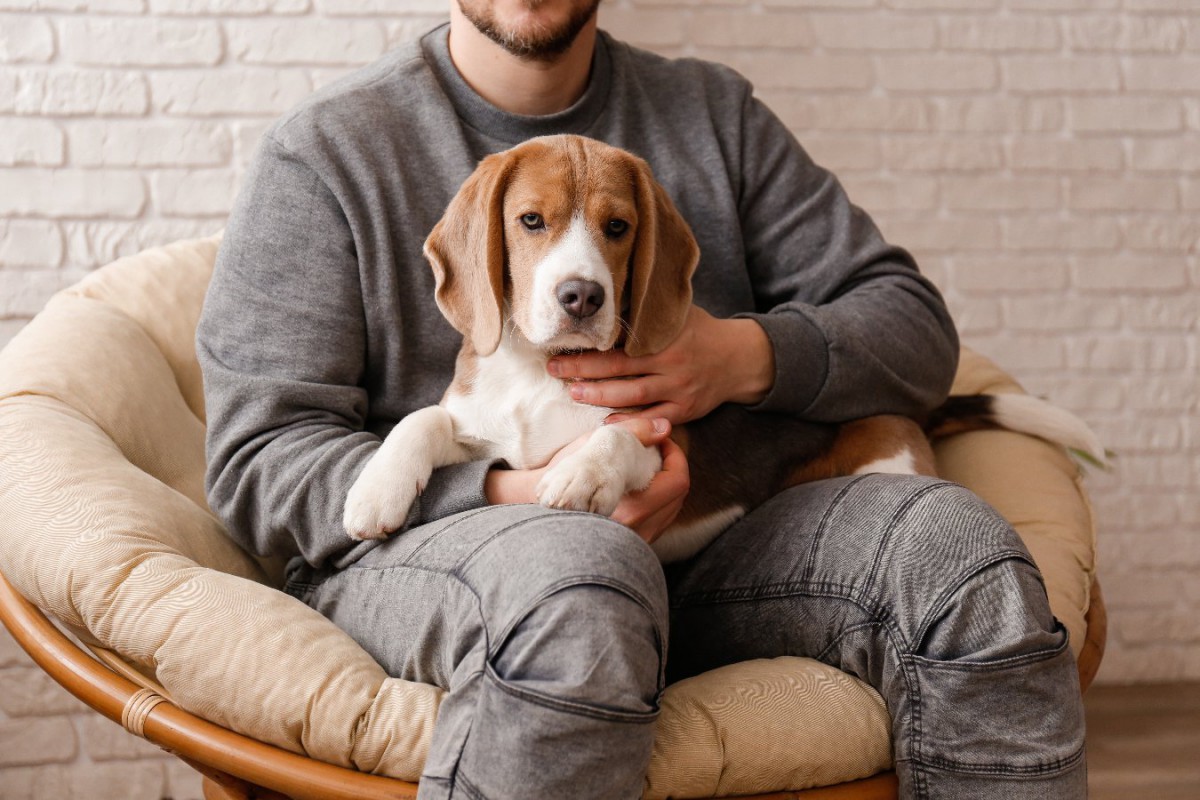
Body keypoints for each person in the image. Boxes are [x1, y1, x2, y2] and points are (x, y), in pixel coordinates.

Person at [196, 1, 1087, 797]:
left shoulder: (714, 115)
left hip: (719, 537)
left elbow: (917, 334)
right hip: (427, 560)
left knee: (960, 549)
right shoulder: (325, 153)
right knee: (581, 577)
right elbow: (254, 464)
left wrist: (737, 356)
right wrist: (509, 495)